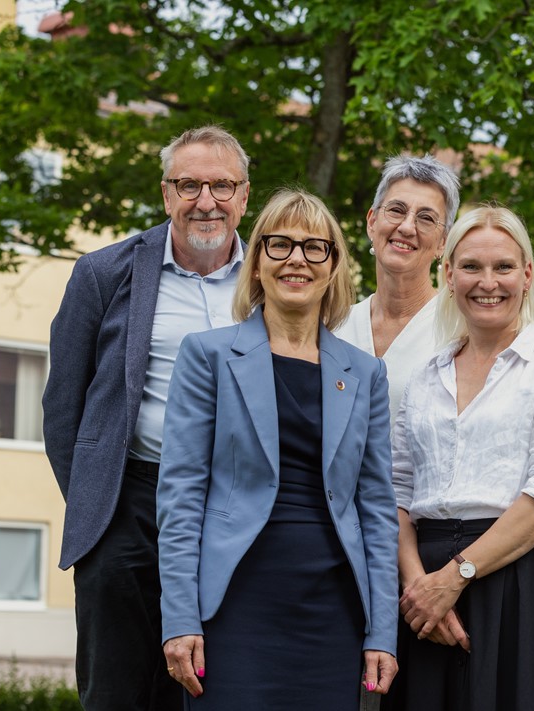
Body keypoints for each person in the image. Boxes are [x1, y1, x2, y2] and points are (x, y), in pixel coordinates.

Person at [157, 189, 400, 708]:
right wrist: (179, 618)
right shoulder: (207, 357)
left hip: (332, 610)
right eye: (280, 244)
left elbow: (376, 510)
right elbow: (180, 497)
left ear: (333, 266)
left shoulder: (366, 373)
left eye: (315, 248)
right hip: (233, 606)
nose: (296, 259)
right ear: (258, 261)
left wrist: (382, 630)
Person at [42, 125, 250, 710]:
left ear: (244, 195)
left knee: (212, 683)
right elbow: (63, 406)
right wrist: (95, 498)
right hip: (128, 505)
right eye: (189, 185)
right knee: (117, 689)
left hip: (232, 509)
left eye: (221, 186)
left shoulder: (270, 280)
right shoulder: (104, 273)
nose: (205, 201)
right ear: (166, 194)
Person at [386, 206, 534, 710]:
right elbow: (395, 490)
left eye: (504, 267)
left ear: (527, 275)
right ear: (448, 274)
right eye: (471, 267)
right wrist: (420, 584)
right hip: (420, 583)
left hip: (518, 576)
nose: (489, 282)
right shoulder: (424, 377)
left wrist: (454, 577)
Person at [335, 154, 460, 420]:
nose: (406, 227)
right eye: (396, 210)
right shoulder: (335, 325)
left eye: (426, 218)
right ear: (372, 221)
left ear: (443, 242)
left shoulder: (459, 330)